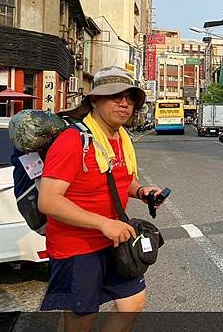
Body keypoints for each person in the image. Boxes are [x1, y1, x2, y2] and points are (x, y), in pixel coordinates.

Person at [37, 66, 165, 332]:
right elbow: (48, 201)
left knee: (132, 302)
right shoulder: (72, 140)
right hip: (77, 246)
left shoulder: (120, 138)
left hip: (115, 241)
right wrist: (103, 224)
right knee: (82, 319)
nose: (124, 103)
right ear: (94, 100)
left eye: (130, 98)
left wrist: (142, 192)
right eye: (115, 96)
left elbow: (122, 178)